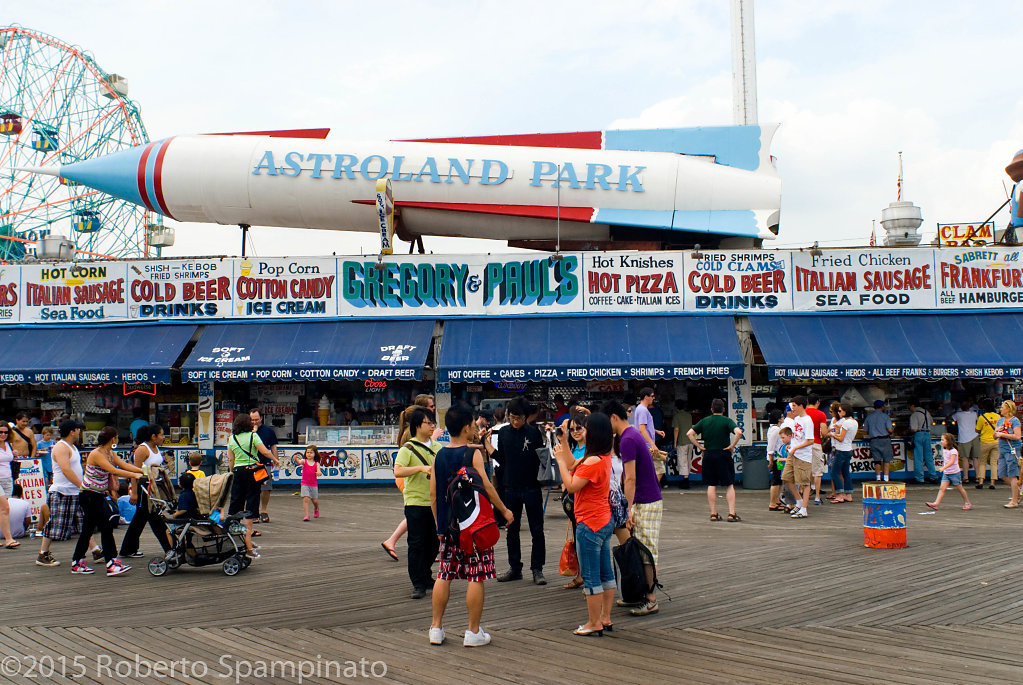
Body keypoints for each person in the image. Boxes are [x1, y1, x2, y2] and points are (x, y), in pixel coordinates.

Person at [428, 404, 513, 647]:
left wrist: (440, 525)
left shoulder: (439, 455)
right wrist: (505, 511)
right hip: (474, 526)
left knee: (444, 574)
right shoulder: (471, 454)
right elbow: (487, 486)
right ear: (466, 427)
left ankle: (436, 627)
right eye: (473, 425)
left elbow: (433, 494)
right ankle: (473, 632)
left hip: (449, 527)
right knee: (476, 576)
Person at [553, 412, 616, 636]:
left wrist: (559, 461)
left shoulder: (592, 461)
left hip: (589, 523)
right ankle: (605, 617)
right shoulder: (601, 457)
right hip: (604, 520)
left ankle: (593, 622)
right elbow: (573, 464)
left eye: (585, 428)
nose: (581, 431)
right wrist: (562, 441)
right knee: (606, 573)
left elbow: (570, 484)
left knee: (590, 576)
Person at [604, 399, 662, 616]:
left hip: (646, 500)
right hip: (645, 498)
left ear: (613, 418)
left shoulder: (627, 439)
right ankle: (639, 595)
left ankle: (651, 599)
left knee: (646, 551)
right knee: (639, 548)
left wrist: (627, 509)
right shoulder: (630, 436)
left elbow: (630, 478)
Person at [485, 397, 547, 585]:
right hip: (510, 487)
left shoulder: (534, 433)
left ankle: (537, 568)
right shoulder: (503, 433)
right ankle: (515, 567)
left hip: (532, 487)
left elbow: (541, 460)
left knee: (537, 529)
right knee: (512, 528)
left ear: (526, 417)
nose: (515, 421)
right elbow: (502, 459)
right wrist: (488, 447)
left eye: (518, 418)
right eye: (512, 417)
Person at [70, 427, 142, 576]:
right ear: (113, 439)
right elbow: (114, 470)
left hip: (97, 495)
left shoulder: (109, 453)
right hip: (89, 495)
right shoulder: (97, 454)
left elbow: (123, 465)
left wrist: (141, 471)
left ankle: (77, 562)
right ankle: (111, 562)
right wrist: (135, 475)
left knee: (88, 530)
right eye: (116, 437)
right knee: (105, 526)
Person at [393, 408, 440, 599]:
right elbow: (398, 471)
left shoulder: (437, 448)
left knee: (434, 542)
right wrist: (420, 468)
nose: (432, 426)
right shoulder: (407, 449)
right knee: (416, 543)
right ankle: (418, 583)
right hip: (415, 502)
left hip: (435, 502)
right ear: (417, 425)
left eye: (432, 423)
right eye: (428, 423)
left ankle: (426, 574)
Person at [382, 394, 436, 561]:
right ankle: (393, 541)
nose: (433, 410)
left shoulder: (409, 432)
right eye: (430, 407)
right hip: (410, 477)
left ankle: (394, 541)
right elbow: (411, 458)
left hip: (415, 478)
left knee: (418, 511)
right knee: (416, 509)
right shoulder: (410, 437)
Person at [118, 424, 173, 559]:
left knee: (139, 519)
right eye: (161, 434)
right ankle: (169, 548)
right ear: (153, 437)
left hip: (153, 488)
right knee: (154, 518)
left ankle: (127, 549)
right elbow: (133, 471)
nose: (163, 437)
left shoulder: (155, 448)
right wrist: (135, 492)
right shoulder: (143, 449)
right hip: (144, 488)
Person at [227, 413, 278, 558]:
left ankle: (233, 531)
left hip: (238, 471)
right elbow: (264, 452)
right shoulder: (253, 436)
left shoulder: (232, 438)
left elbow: (231, 459)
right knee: (252, 500)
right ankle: (248, 536)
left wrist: (232, 471)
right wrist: (275, 459)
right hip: (252, 471)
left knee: (236, 500)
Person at [687, 398, 743, 522]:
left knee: (711, 484)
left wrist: (700, 446)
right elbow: (738, 432)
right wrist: (732, 446)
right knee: (729, 484)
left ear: (711, 409)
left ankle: (713, 513)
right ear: (723, 409)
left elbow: (689, 434)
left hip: (708, 454)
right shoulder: (727, 421)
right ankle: (731, 513)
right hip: (723, 454)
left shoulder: (704, 421)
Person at [781, 396, 815, 518]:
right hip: (793, 453)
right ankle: (799, 501)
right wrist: (791, 445)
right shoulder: (797, 419)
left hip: (803, 456)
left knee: (804, 483)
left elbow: (810, 440)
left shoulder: (807, 420)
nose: (792, 408)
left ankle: (804, 509)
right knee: (786, 477)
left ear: (801, 406)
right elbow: (797, 436)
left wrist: (796, 447)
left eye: (794, 405)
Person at [925, 433, 972, 511]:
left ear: (948, 441)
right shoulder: (944, 449)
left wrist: (943, 468)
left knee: (960, 488)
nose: (941, 441)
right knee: (942, 488)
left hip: (954, 473)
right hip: (947, 473)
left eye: (943, 440)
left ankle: (967, 502)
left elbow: (952, 462)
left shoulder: (953, 451)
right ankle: (936, 503)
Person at [250, 408, 279, 524]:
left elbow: (273, 447)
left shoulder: (268, 431)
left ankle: (264, 510)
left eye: (256, 419)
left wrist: (276, 461)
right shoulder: (247, 431)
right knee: (253, 489)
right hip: (251, 463)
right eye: (252, 420)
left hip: (265, 462)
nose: (254, 422)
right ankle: (254, 512)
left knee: (266, 488)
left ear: (261, 418)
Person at [827, 403, 858, 503]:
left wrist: (832, 434)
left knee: (834, 472)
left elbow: (840, 438)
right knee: (846, 473)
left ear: (845, 411)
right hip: (849, 449)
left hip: (841, 449)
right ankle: (848, 494)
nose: (839, 413)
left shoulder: (845, 423)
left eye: (840, 411)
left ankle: (840, 494)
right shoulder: (854, 422)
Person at [994, 400, 1022, 509]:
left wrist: (1004, 434)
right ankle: (1019, 492)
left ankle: (1014, 500)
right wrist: (997, 432)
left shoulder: (1015, 421)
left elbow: (1017, 436)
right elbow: (994, 436)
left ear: (1008, 409)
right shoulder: (1000, 421)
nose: (1001, 409)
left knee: (1012, 474)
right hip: (1002, 449)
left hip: (1012, 449)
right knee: (1002, 474)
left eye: (1002, 407)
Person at [805, 394, 828, 506]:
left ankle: (804, 494)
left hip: (803, 445)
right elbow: (824, 432)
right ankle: (817, 497)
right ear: (817, 402)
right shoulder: (821, 414)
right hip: (815, 443)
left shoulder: (802, 414)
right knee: (817, 472)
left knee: (805, 470)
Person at [908, 399, 937, 484]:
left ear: (913, 405)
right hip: (927, 435)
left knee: (918, 457)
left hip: (919, 435)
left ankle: (920, 478)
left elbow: (914, 429)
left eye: (909, 406)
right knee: (929, 457)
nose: (909, 408)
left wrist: (908, 431)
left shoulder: (915, 415)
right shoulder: (926, 412)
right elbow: (931, 422)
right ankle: (933, 476)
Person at [864, 400, 894, 482]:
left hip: (874, 440)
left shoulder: (869, 417)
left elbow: (866, 430)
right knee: (886, 460)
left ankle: (878, 478)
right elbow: (890, 430)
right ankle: (886, 478)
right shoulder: (886, 417)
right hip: (885, 440)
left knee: (877, 460)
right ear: (882, 407)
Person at [0, 423, 19, 548]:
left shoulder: (8, 444)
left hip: (7, 478)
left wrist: (14, 453)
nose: (3, 435)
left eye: (5, 432)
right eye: (0, 432)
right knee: (5, 508)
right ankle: (9, 538)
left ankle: (8, 538)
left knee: (2, 510)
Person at [975, 398, 1000, 489]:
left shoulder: (982, 417)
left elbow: (977, 430)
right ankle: (992, 483)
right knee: (994, 462)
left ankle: (981, 481)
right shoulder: (998, 416)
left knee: (982, 462)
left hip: (985, 441)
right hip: (996, 441)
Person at [952, 400, 979, 482]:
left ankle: (966, 477)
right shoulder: (974, 414)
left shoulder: (958, 414)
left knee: (964, 458)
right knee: (976, 458)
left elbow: (950, 418)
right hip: (975, 436)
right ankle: (978, 477)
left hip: (963, 438)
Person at [765, 410, 786, 511]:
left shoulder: (775, 429)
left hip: (777, 457)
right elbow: (771, 446)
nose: (783, 417)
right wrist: (770, 459)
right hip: (775, 457)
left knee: (779, 479)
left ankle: (777, 500)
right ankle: (773, 503)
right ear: (778, 418)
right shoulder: (775, 430)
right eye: (782, 416)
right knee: (776, 480)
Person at [671, 400, 693, 489]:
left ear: (676, 408)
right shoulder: (689, 415)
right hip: (690, 441)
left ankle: (685, 481)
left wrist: (675, 442)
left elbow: (676, 429)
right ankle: (686, 479)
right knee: (688, 461)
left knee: (682, 461)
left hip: (682, 441)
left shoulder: (677, 416)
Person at [299, 445, 323, 522]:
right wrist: (296, 459)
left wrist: (319, 472)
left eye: (311, 452)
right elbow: (299, 462)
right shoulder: (304, 461)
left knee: (314, 500)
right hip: (304, 483)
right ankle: (306, 515)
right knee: (306, 498)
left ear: (315, 454)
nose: (309, 454)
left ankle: (316, 508)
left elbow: (319, 471)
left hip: (313, 484)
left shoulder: (316, 464)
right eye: (307, 452)